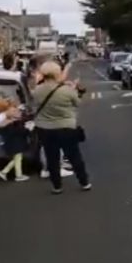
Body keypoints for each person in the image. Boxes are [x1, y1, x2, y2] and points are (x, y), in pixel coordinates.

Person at [32, 61, 91, 194]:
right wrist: (76, 90)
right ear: (57, 73)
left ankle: (57, 186)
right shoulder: (66, 90)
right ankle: (84, 182)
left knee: (52, 158)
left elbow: (35, 104)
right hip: (66, 127)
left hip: (45, 128)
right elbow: (77, 103)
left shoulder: (37, 90)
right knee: (74, 156)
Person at [0, 99, 29, 182]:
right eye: (14, 110)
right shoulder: (11, 123)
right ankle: (17, 175)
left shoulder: (5, 122)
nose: (17, 112)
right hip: (15, 143)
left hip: (12, 143)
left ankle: (5, 172)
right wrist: (26, 129)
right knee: (18, 158)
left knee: (17, 158)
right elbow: (16, 132)